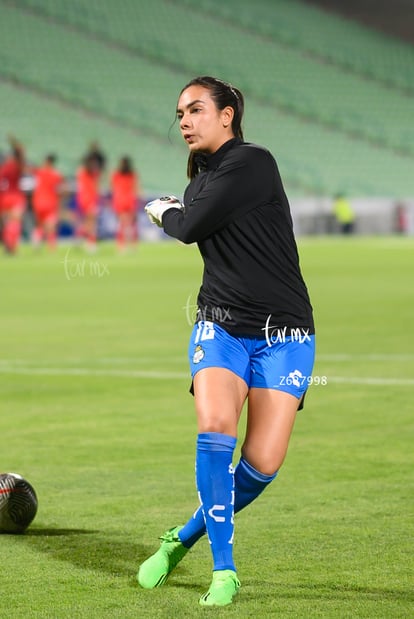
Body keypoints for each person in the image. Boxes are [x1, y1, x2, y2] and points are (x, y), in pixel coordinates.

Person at [138, 76, 315, 607]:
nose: (185, 121)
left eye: (195, 110)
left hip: (285, 334)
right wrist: (179, 208)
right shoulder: (202, 184)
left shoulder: (254, 163)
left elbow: (187, 225)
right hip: (220, 326)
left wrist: (163, 210)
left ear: (227, 115)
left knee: (262, 463)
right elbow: (195, 219)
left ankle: (181, 538)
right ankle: (224, 569)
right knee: (216, 428)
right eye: (180, 114)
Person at [32, 154, 65, 250]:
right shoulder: (56, 174)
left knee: (40, 224)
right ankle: (51, 246)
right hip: (50, 203)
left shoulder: (39, 172)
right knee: (51, 226)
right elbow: (62, 188)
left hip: (38, 202)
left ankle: (36, 238)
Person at [0, 136, 26, 254]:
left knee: (7, 223)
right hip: (16, 197)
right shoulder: (17, 165)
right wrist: (14, 142)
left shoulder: (3, 168)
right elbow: (21, 152)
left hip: (4, 198)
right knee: (15, 222)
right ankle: (12, 246)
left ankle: (8, 244)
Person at [110, 156, 139, 251]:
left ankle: (122, 245)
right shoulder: (132, 174)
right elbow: (136, 188)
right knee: (130, 224)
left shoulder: (116, 174)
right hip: (129, 200)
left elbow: (113, 187)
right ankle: (132, 245)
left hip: (120, 200)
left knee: (122, 224)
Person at [75, 153, 101, 251]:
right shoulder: (91, 173)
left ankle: (80, 236)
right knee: (92, 223)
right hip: (89, 200)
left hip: (82, 199)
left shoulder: (81, 172)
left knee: (88, 222)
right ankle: (91, 243)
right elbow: (95, 187)